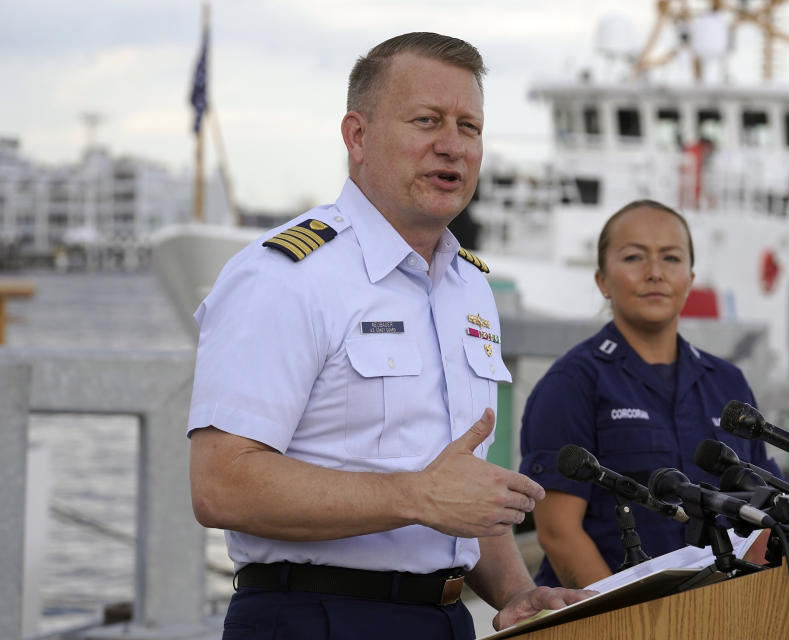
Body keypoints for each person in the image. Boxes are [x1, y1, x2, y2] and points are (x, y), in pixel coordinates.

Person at [187, 32, 589, 639]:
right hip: (313, 617)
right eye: (426, 120)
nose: (451, 146)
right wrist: (417, 496)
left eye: (469, 127)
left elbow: (456, 489)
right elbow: (221, 484)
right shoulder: (287, 276)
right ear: (357, 136)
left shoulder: (470, 288)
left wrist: (515, 592)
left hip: (449, 620)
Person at [518, 199, 783, 589]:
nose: (655, 273)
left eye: (671, 258)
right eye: (634, 257)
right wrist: (629, 625)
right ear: (602, 280)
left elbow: (764, 510)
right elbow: (558, 533)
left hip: (722, 614)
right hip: (615, 622)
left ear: (690, 278)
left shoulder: (728, 383)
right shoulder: (571, 384)